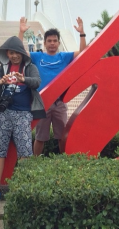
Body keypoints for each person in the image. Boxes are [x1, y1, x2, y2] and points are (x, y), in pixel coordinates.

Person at [0, 36, 45, 206]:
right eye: (11, 52)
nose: (14, 55)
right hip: (2, 114)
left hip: (23, 114)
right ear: (7, 54)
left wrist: (23, 79)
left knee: (25, 151)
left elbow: (37, 82)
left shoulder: (30, 67)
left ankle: (24, 189)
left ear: (22, 53)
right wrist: (0, 81)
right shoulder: (3, 67)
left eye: (17, 52)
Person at [18, 16, 87, 156]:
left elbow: (84, 54)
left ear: (59, 43)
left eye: (55, 41)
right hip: (42, 103)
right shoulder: (38, 57)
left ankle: (65, 162)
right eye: (49, 41)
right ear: (44, 43)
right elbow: (19, 52)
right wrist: (21, 33)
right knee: (40, 137)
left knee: (62, 136)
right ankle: (33, 164)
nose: (52, 43)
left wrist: (81, 33)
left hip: (59, 103)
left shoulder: (64, 56)